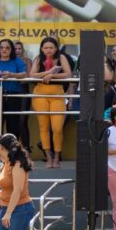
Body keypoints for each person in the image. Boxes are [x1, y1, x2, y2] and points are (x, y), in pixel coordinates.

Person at [29, 37, 71, 169]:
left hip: (57, 94)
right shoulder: (38, 58)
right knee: (43, 127)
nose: (48, 50)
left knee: (57, 128)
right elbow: (32, 75)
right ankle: (48, 157)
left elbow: (68, 73)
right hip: (40, 94)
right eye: (46, 48)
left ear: (56, 48)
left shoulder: (61, 57)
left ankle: (57, 156)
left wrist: (52, 76)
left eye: (51, 47)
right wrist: (47, 73)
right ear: (41, 48)